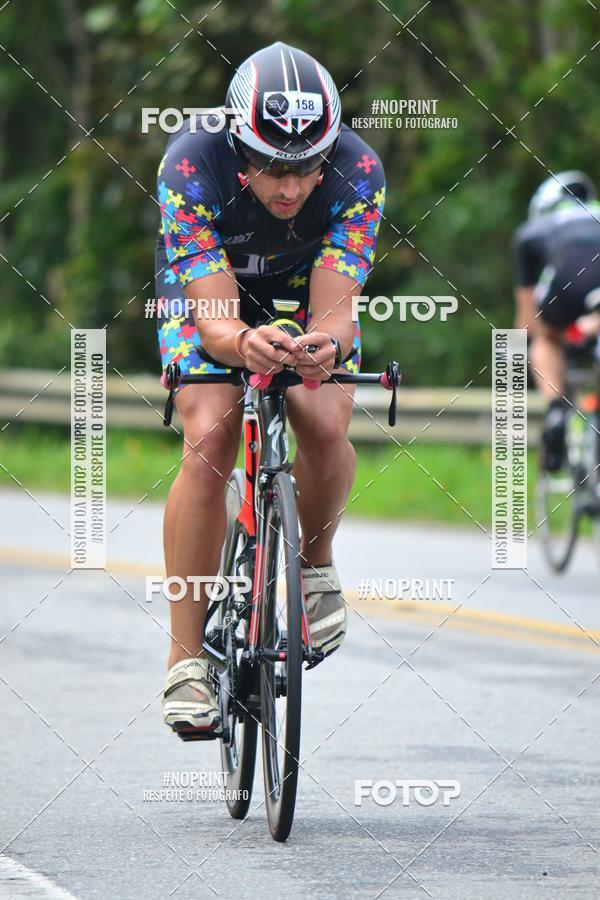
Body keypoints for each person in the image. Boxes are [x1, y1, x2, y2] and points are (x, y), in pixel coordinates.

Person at [155, 42, 386, 733]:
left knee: (323, 420)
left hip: (304, 289)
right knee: (210, 436)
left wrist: (326, 344)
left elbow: (337, 313)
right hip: (210, 290)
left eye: (306, 167)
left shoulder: (359, 170)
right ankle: (185, 661)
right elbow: (217, 322)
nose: (288, 188)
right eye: (268, 167)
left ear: (330, 152)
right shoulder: (191, 164)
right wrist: (237, 344)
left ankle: (313, 566)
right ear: (236, 144)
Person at [513, 170, 600, 472]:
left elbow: (527, 323)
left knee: (544, 337)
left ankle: (555, 410)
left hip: (567, 283)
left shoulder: (531, 232)